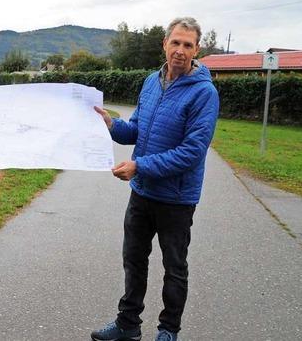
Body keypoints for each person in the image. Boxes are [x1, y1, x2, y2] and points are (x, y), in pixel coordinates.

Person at [91, 17, 219, 341]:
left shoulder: (204, 94)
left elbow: (191, 152)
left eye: (187, 45)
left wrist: (139, 166)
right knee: (133, 259)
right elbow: (136, 129)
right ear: (164, 44)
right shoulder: (151, 82)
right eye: (175, 42)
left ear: (196, 50)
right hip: (142, 192)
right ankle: (127, 325)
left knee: (174, 268)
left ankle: (168, 331)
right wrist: (110, 123)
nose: (179, 50)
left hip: (176, 199)